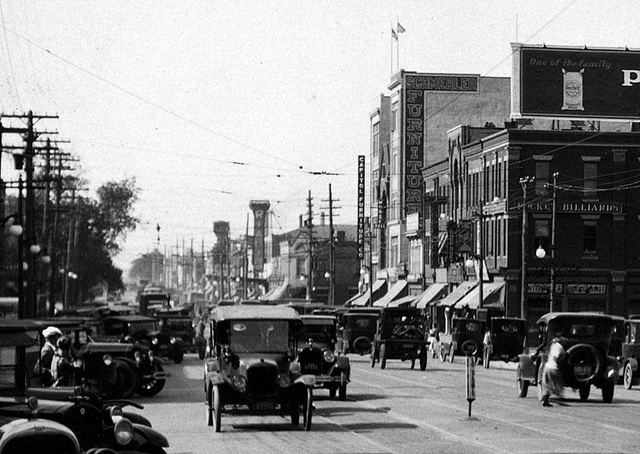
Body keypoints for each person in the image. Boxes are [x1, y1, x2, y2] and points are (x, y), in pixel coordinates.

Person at [539, 333, 568, 407]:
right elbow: (558, 356)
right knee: (558, 384)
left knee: (548, 384)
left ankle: (545, 400)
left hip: (547, 366)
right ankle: (557, 397)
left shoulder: (553, 345)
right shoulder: (560, 347)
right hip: (554, 367)